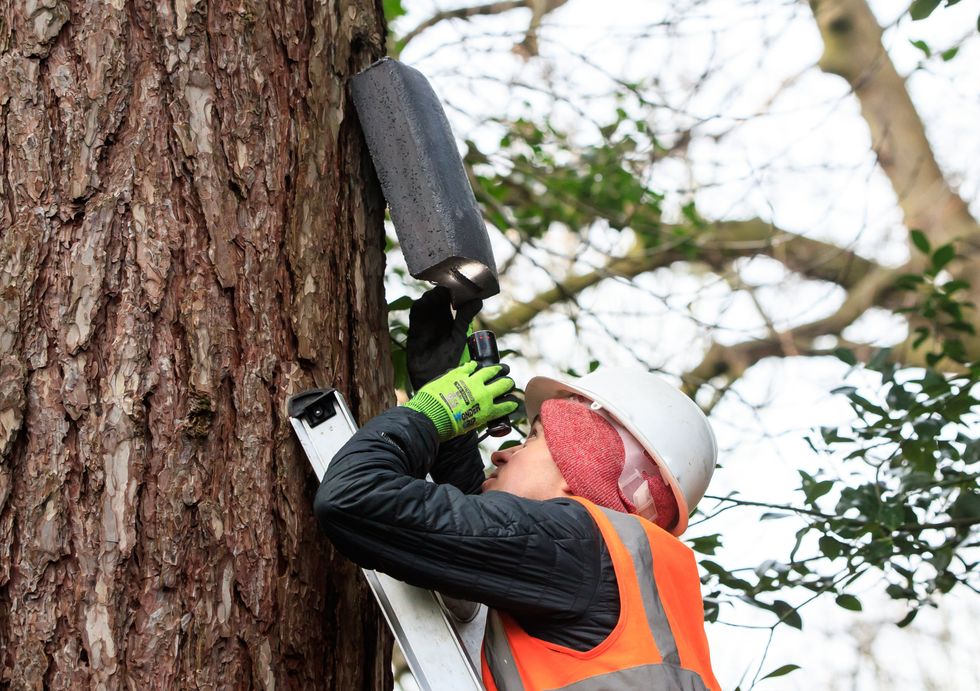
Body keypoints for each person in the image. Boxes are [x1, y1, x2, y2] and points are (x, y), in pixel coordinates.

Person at [315, 287, 721, 691]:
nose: (501, 455)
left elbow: (354, 496)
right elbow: (491, 534)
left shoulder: (576, 544)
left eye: (532, 440)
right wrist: (450, 420)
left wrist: (430, 415)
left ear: (577, 475)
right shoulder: (624, 574)